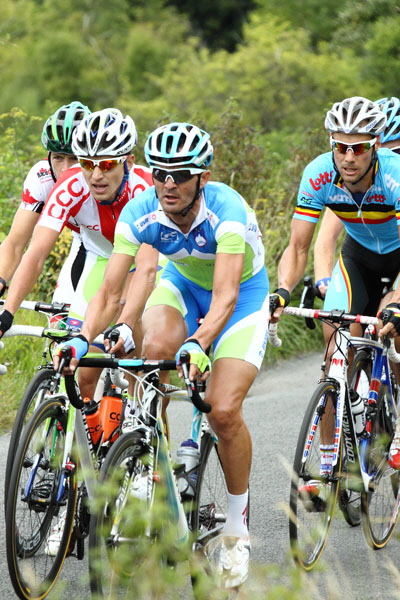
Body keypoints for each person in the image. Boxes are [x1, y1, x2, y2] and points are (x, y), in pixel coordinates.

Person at [52, 121, 270, 588]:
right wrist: (82, 337)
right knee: (151, 350)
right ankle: (151, 455)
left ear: (201, 178)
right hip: (183, 286)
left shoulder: (228, 211)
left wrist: (201, 341)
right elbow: (111, 293)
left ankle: (236, 530)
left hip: (241, 300)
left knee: (224, 410)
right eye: (161, 174)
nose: (169, 184)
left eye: (180, 175)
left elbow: (228, 297)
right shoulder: (142, 211)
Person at [269, 96, 400, 479]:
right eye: (340, 145)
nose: (348, 156)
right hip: (357, 258)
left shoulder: (394, 175)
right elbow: (298, 247)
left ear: (375, 145)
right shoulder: (318, 175)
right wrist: (282, 290)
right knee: (333, 354)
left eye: (358, 147)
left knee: (397, 331)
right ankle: (328, 464)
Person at [0, 108, 158, 400]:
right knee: (82, 371)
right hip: (101, 256)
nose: (96, 175)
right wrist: (7, 313)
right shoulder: (70, 184)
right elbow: (34, 254)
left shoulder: (144, 189)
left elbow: (145, 270)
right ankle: (91, 439)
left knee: (140, 361)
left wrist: (125, 319)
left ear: (128, 162)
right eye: (86, 163)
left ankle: (145, 427)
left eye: (107, 164)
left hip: (148, 260)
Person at [0, 101, 91, 302]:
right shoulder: (42, 177)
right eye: (58, 157)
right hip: (87, 244)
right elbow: (15, 244)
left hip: (133, 247)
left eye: (74, 159)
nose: (65, 169)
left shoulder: (103, 179)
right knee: (60, 324)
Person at [314, 96, 400, 298]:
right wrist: (324, 280)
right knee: (335, 323)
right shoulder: (351, 183)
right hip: (364, 258)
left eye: (396, 152)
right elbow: (326, 237)